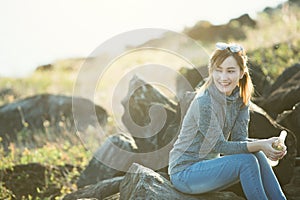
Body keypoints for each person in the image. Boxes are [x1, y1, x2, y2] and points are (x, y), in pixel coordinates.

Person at [168, 42, 287, 199]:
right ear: (212, 71)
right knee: (247, 161)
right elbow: (220, 146)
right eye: (219, 71)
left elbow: (240, 141)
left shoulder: (240, 99)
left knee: (256, 154)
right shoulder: (204, 102)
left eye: (230, 71)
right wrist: (260, 144)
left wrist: (267, 145)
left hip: (208, 169)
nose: (223, 78)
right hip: (184, 173)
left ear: (241, 72)